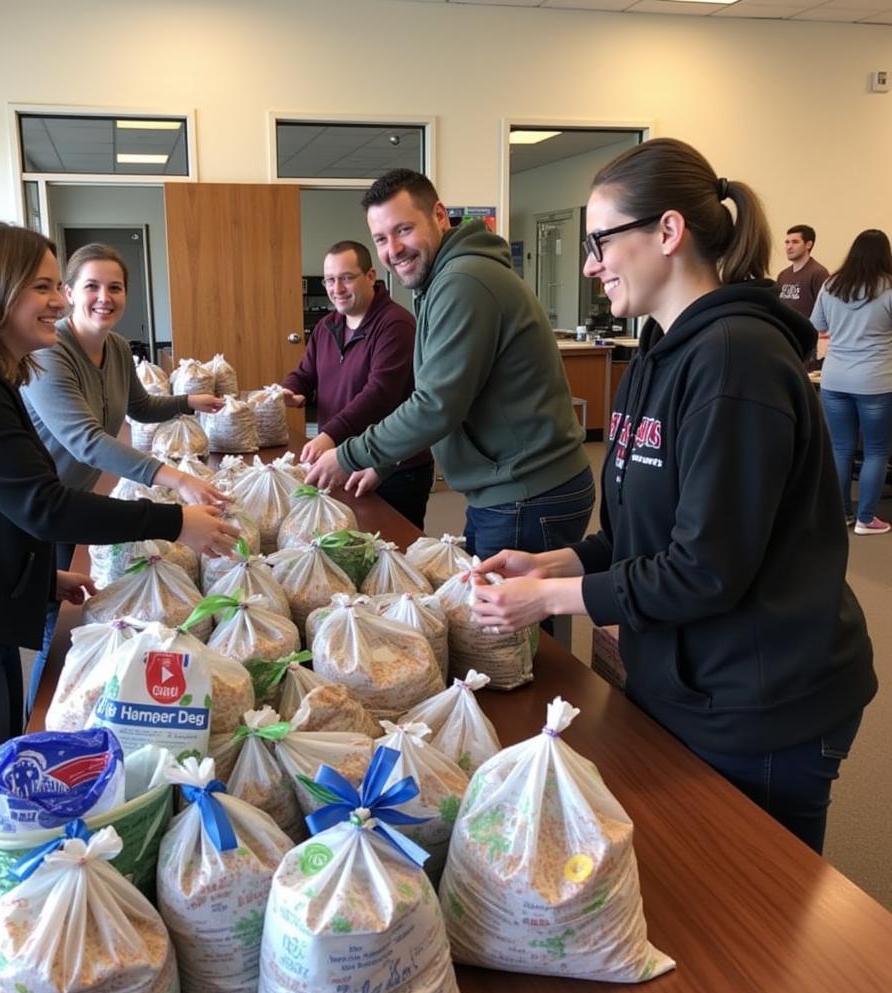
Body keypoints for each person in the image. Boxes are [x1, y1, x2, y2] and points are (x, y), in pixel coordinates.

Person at [0, 221, 239, 993]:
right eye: (42, 285)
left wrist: (47, 579)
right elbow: (38, 501)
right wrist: (173, 521)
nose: (59, 299)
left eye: (53, 284)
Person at [471, 139, 876, 855]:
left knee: (755, 912)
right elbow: (638, 534)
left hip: (765, 699)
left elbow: (704, 567)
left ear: (667, 232)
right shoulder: (657, 357)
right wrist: (551, 565)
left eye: (602, 241)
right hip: (690, 678)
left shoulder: (736, 362)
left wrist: (548, 604)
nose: (592, 263)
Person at [306, 169, 594, 562]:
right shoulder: (441, 281)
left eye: (403, 229)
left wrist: (349, 455)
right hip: (505, 488)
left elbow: (436, 404)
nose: (393, 249)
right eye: (381, 239)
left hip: (527, 491)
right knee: (493, 611)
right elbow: (451, 393)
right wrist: (384, 463)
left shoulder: (464, 282)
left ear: (439, 216)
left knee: (505, 621)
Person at [20, 242, 227, 711]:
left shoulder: (114, 348)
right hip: (34, 504)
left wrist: (187, 402)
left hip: (70, 498)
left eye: (114, 288)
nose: (104, 297)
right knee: (55, 627)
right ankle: (47, 713)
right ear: (69, 292)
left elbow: (137, 406)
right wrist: (173, 478)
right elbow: (86, 440)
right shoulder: (51, 354)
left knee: (68, 602)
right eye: (91, 286)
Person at [280, 240, 433, 527]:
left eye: (346, 278)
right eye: (330, 280)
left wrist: (330, 436)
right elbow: (305, 373)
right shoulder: (327, 326)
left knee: (391, 555)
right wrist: (290, 389)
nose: (336, 289)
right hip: (339, 460)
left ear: (371, 277)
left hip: (392, 467)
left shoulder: (396, 326)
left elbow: (379, 395)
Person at [810, 229, 892, 534]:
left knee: (841, 448)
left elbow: (817, 326)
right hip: (876, 381)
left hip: (834, 378)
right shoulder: (889, 287)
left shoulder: (832, 284)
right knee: (876, 451)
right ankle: (866, 519)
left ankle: (842, 513)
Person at [778, 224, 829, 367]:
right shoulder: (783, 275)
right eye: (787, 242)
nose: (789, 247)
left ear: (808, 245)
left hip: (808, 344)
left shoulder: (818, 273)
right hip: (786, 340)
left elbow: (827, 311)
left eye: (795, 242)